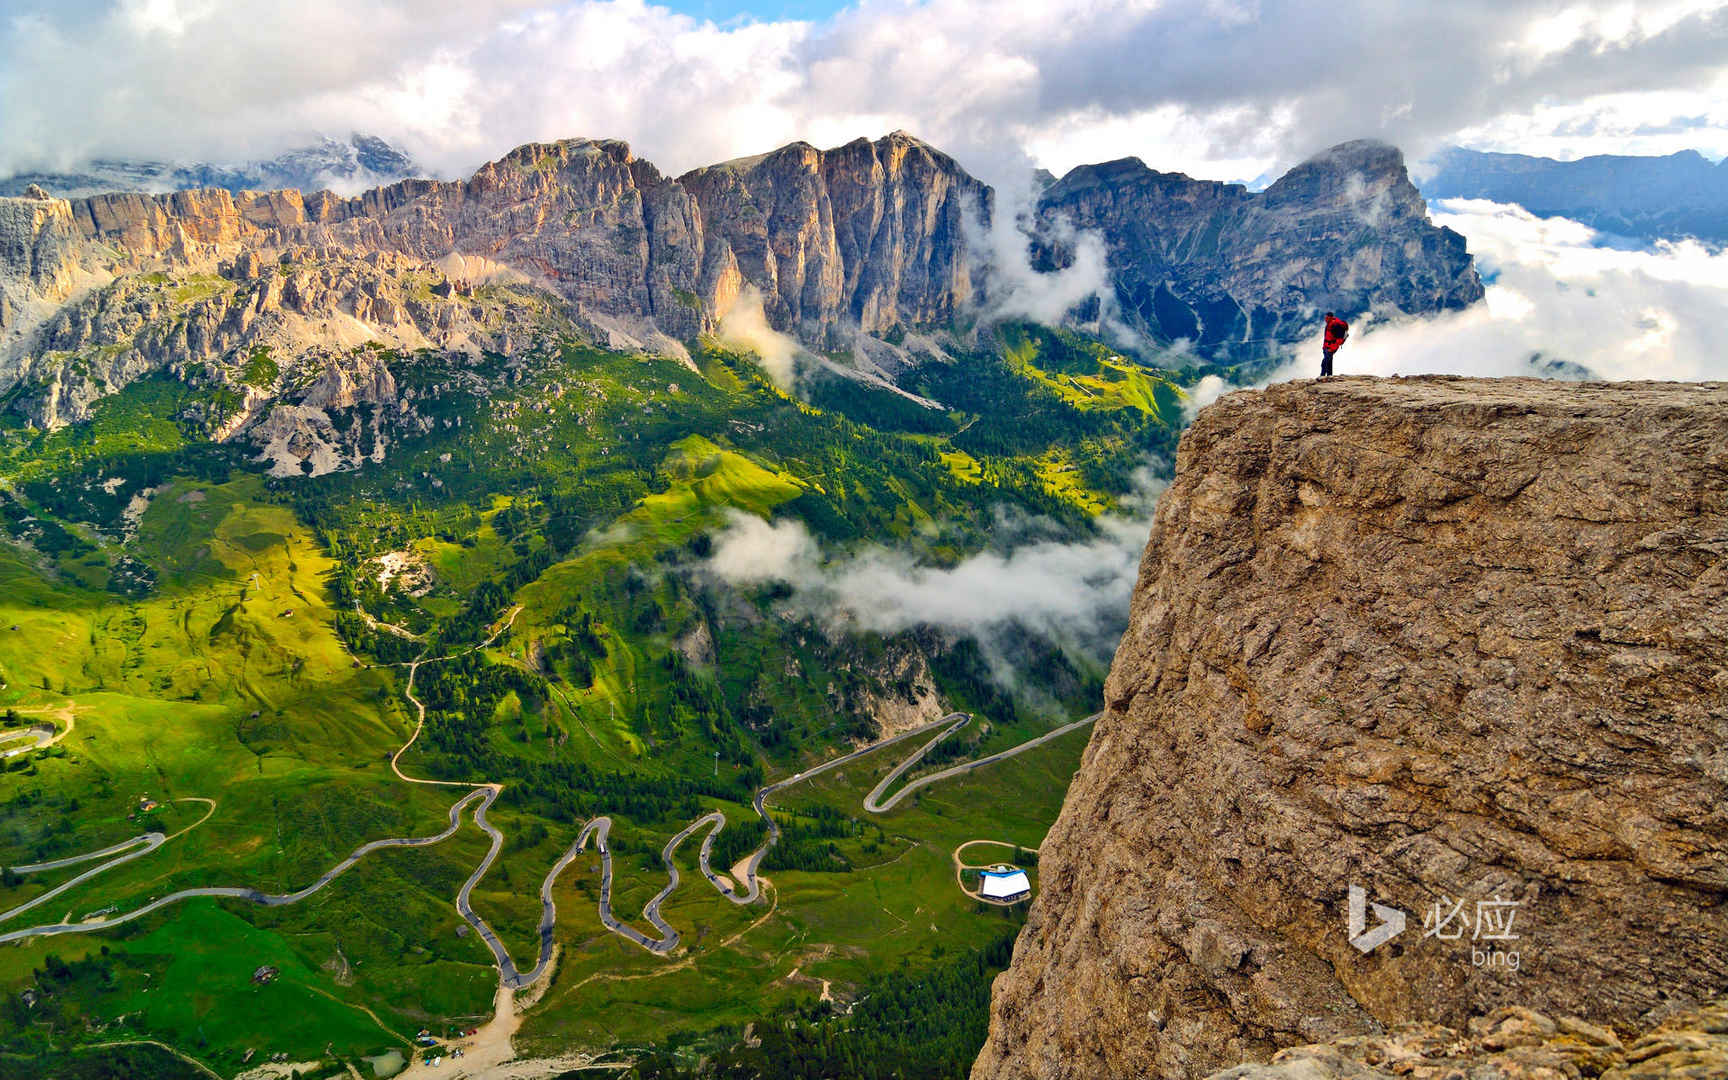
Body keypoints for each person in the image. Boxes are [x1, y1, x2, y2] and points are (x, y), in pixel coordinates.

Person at [1321, 312, 1349, 377]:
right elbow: (1328, 336)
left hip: (1330, 348)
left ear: (1330, 317)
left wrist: (1332, 349)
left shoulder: (1335, 325)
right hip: (1327, 347)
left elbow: (1339, 340)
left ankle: (1322, 376)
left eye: (1327, 318)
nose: (1325, 319)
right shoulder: (1329, 324)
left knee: (1324, 363)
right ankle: (1329, 376)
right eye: (1325, 317)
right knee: (1329, 363)